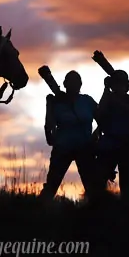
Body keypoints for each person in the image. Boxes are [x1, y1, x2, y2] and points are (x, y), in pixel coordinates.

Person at [38, 68, 105, 202]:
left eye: (76, 82)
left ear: (80, 85)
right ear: (65, 84)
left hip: (85, 147)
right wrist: (49, 105)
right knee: (52, 185)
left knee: (92, 187)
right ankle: (39, 212)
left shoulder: (87, 101)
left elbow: (103, 120)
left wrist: (95, 136)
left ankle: (97, 214)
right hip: (62, 148)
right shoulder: (57, 102)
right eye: (70, 82)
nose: (73, 85)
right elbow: (49, 126)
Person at [96, 70, 129, 200]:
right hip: (109, 146)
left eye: (120, 84)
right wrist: (106, 91)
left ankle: (127, 212)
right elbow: (99, 115)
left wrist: (114, 99)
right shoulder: (108, 98)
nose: (118, 87)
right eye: (115, 84)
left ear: (126, 85)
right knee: (98, 182)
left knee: (128, 185)